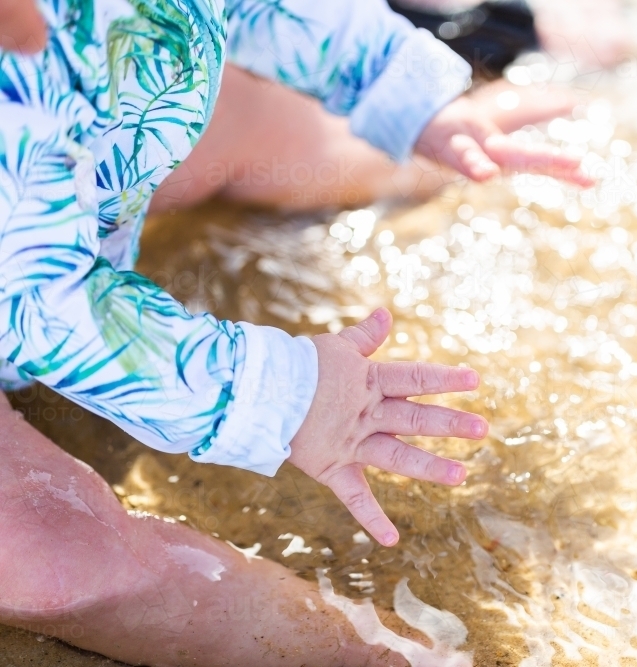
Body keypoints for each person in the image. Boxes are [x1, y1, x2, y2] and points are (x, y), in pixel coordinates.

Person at [0, 0, 591, 663]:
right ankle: (375, 654)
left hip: (67, 161)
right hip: (24, 267)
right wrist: (285, 397)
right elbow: (45, 306)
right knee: (47, 551)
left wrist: (411, 93)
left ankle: (448, 143)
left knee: (239, 121)